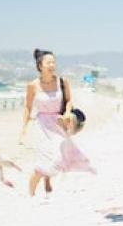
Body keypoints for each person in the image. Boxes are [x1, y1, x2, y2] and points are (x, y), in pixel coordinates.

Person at [22, 49, 95, 197]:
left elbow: (69, 101)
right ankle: (31, 192)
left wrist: (68, 113)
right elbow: (28, 107)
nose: (52, 65)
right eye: (48, 62)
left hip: (58, 123)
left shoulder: (62, 82)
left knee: (59, 156)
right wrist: (24, 128)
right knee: (44, 158)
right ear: (40, 65)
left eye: (54, 62)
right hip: (41, 125)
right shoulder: (33, 85)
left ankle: (46, 178)